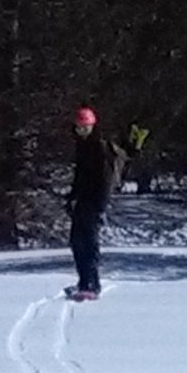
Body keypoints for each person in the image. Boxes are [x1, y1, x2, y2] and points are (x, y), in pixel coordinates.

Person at [66, 105, 128, 298]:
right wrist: (72, 197)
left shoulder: (100, 148)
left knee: (89, 242)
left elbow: (105, 180)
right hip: (83, 201)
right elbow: (80, 177)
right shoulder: (82, 147)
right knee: (76, 241)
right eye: (79, 127)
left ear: (92, 126)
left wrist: (100, 205)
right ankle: (83, 280)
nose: (82, 131)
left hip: (94, 202)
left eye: (85, 127)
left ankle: (92, 283)